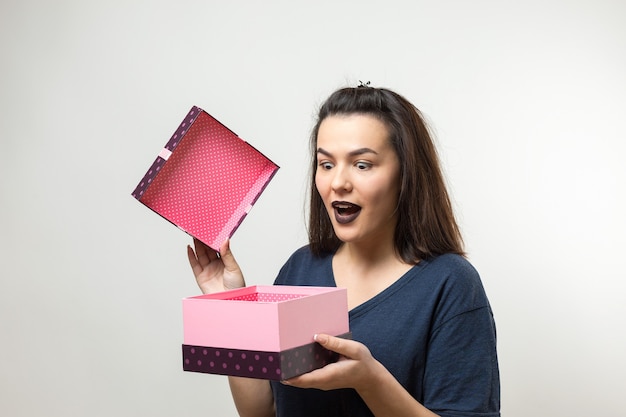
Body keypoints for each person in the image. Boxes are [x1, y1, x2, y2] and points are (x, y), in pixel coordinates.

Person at [187, 85, 500, 417]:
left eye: (362, 165)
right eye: (326, 164)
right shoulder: (299, 269)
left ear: (405, 174)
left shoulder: (451, 284)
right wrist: (230, 308)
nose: (338, 182)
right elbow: (263, 412)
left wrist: (370, 380)